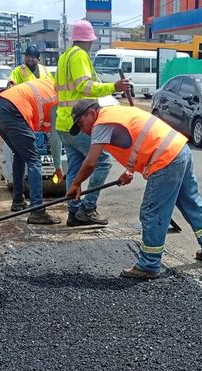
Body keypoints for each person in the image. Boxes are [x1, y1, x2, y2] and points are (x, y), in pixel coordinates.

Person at [66, 99, 202, 279]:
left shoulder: (101, 123)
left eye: (81, 124)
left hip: (166, 159)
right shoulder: (116, 113)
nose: (83, 130)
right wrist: (129, 170)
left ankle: (149, 264)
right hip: (180, 150)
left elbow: (90, 162)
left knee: (151, 212)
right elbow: (139, 138)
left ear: (91, 113)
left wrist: (76, 183)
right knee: (191, 203)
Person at [55, 20, 131, 227]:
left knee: (74, 167)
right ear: (88, 40)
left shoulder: (64, 57)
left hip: (64, 123)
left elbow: (58, 88)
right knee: (102, 161)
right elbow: (85, 87)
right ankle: (87, 209)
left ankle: (73, 211)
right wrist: (113, 87)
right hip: (79, 122)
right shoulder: (79, 55)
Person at [0, 77, 64, 224]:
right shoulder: (59, 101)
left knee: (20, 154)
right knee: (34, 161)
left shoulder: (49, 83)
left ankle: (18, 201)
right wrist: (58, 167)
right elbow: (55, 140)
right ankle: (37, 211)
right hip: (13, 113)